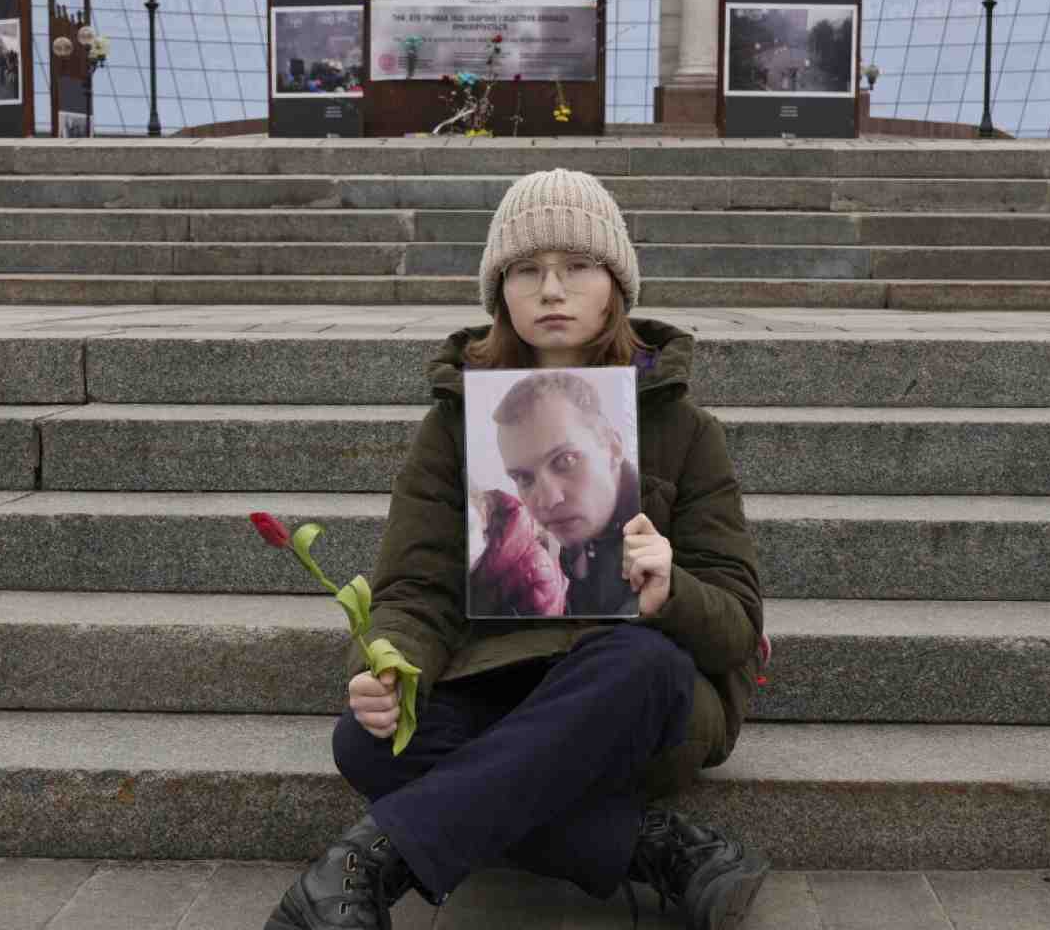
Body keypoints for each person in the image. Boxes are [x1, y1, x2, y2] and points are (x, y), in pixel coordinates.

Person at [266, 168, 769, 930]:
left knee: (638, 663)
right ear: (500, 292)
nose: (552, 289)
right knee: (366, 744)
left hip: (642, 702)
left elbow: (736, 623)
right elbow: (414, 593)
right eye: (527, 271)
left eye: (577, 266)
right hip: (499, 683)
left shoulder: (683, 428)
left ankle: (367, 864)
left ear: (617, 284)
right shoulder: (455, 426)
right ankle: (660, 848)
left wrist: (674, 593)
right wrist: (390, 664)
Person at [476, 369, 641, 618]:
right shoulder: (565, 549)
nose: (548, 500)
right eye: (523, 478)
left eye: (566, 460)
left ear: (613, 448)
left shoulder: (671, 522)